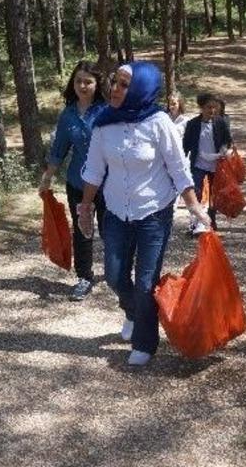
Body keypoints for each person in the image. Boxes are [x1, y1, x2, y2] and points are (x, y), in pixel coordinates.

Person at [78, 61, 211, 366]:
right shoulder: (103, 122)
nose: (115, 89)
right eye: (115, 82)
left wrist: (194, 207)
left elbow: (178, 169)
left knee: (145, 281)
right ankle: (135, 312)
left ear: (140, 89)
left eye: (125, 85)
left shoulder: (159, 122)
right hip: (114, 212)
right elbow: (94, 170)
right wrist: (85, 207)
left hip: (153, 213)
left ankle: (145, 342)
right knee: (113, 275)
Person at [39, 60, 107, 301]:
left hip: (109, 184)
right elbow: (58, 151)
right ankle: (84, 277)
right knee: (82, 231)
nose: (82, 85)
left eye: (88, 81)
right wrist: (47, 179)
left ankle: (116, 272)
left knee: (112, 230)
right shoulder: (67, 115)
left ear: (97, 84)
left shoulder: (107, 111)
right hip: (77, 183)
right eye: (78, 81)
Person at [182, 92, 233, 233]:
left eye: (214, 107)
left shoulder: (220, 123)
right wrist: (181, 163)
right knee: (196, 192)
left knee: (214, 194)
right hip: (198, 164)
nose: (212, 110)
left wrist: (223, 150)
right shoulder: (192, 124)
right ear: (201, 108)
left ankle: (211, 220)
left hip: (216, 164)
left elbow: (227, 140)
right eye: (208, 107)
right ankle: (196, 222)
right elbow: (185, 145)